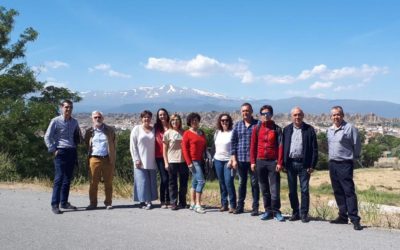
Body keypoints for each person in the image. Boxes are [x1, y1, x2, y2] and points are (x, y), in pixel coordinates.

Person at [327, 106, 362, 230]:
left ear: (343, 115)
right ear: (331, 117)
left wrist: (353, 158)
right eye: (334, 115)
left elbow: (357, 144)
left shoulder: (350, 128)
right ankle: (342, 216)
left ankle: (354, 219)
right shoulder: (329, 130)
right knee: (337, 191)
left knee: (348, 191)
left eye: (338, 114)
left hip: (345, 164)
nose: (336, 117)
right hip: (332, 164)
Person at [44, 100, 81, 214]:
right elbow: (47, 136)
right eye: (66, 107)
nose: (68, 109)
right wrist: (53, 149)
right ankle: (55, 204)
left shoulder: (75, 122)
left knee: (67, 179)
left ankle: (64, 202)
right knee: (59, 178)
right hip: (61, 151)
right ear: (62, 108)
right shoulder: (55, 121)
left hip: (71, 151)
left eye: (70, 107)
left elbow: (76, 136)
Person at [283, 107, 318, 223]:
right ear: (291, 116)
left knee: (304, 190)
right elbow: (283, 148)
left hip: (304, 164)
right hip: (291, 164)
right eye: (295, 115)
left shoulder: (309, 130)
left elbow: (314, 149)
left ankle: (304, 213)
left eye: (299, 115)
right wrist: (283, 163)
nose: (297, 117)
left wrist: (312, 165)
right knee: (292, 190)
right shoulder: (287, 130)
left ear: (303, 116)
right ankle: (295, 212)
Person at [250, 105, 284, 221]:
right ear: (261, 115)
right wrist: (253, 162)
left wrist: (279, 162)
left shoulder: (277, 129)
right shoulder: (257, 128)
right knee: (264, 188)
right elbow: (253, 146)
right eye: (263, 113)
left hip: (272, 162)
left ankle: (276, 211)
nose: (265, 115)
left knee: (274, 188)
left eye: (268, 113)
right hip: (260, 162)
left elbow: (280, 147)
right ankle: (268, 210)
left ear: (271, 115)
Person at [230, 103, 260, 215]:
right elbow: (233, 143)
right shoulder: (237, 125)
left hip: (254, 160)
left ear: (251, 111)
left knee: (254, 184)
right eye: (243, 111)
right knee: (242, 183)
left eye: (247, 110)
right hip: (241, 159)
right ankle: (240, 206)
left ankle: (255, 207)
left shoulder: (258, 124)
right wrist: (233, 158)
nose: (245, 113)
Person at [84, 111, 116, 210]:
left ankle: (108, 202)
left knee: (108, 182)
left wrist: (113, 158)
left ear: (103, 118)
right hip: (94, 158)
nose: (97, 119)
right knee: (93, 182)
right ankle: (93, 203)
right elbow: (86, 143)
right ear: (92, 119)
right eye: (95, 117)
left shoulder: (110, 130)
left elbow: (114, 143)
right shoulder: (89, 131)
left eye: (99, 117)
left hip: (107, 158)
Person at [130, 110, 158, 209]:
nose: (146, 119)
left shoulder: (154, 129)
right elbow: (133, 146)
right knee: (142, 181)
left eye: (148, 117)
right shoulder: (136, 129)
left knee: (150, 182)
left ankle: (145, 200)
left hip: (152, 160)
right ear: (141, 118)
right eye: (144, 117)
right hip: (140, 160)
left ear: (151, 118)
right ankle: (147, 201)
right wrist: (136, 159)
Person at [182, 112, 207, 214]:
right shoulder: (187, 133)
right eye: (192, 120)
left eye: (196, 120)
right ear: (189, 122)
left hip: (200, 160)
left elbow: (204, 145)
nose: (195, 121)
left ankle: (192, 203)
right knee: (201, 181)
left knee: (195, 182)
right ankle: (198, 204)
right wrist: (189, 163)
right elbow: (184, 149)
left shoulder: (201, 133)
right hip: (193, 161)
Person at [163, 114, 189, 210]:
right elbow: (164, 150)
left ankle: (182, 202)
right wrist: (166, 162)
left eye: (177, 120)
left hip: (183, 161)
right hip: (172, 161)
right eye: (173, 120)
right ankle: (173, 202)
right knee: (172, 183)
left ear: (180, 122)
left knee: (183, 183)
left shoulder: (184, 132)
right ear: (170, 122)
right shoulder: (167, 133)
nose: (175, 122)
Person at [213, 113, 237, 213]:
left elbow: (235, 147)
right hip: (218, 160)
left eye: (226, 120)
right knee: (221, 183)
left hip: (228, 161)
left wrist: (232, 160)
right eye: (222, 120)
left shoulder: (232, 132)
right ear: (220, 122)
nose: (224, 122)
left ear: (229, 121)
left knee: (229, 182)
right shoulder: (217, 133)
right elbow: (214, 147)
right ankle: (224, 204)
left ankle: (233, 205)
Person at [154, 108, 170, 208]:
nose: (162, 116)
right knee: (164, 178)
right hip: (159, 156)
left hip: (171, 156)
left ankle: (170, 199)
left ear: (167, 115)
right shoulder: (156, 127)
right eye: (160, 115)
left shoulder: (171, 126)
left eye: (164, 114)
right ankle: (163, 200)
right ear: (158, 116)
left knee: (171, 179)